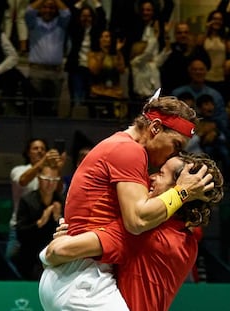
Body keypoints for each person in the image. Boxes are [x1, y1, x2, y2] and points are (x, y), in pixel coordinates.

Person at [39, 93, 214, 310]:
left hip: (77, 274)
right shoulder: (130, 150)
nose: (173, 154)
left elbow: (59, 251)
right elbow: (137, 220)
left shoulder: (119, 145)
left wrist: (57, 247)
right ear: (156, 128)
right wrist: (183, 192)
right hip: (85, 282)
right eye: (176, 145)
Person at [39, 152, 224, 311]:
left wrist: (59, 244)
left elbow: (59, 251)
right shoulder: (187, 240)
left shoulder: (145, 233)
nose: (150, 177)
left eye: (160, 174)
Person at [7, 138, 64, 262]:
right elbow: (22, 180)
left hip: (48, 239)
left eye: (43, 149)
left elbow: (58, 188)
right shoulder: (19, 170)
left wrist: (58, 168)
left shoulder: (59, 199)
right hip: (22, 225)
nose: (40, 151)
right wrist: (41, 221)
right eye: (35, 148)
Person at [16, 162, 64, 280]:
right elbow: (20, 234)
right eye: (46, 179)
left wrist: (58, 218)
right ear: (38, 178)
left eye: (54, 180)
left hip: (55, 257)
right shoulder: (27, 200)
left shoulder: (62, 201)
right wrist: (40, 223)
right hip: (30, 257)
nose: (50, 184)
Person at [25, 0, 71, 116]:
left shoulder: (61, 24)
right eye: (45, 7)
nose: (48, 10)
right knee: (35, 109)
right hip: (37, 72)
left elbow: (66, 12)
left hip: (55, 72)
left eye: (51, 8)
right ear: (40, 8)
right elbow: (29, 11)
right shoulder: (33, 23)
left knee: (53, 109)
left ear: (55, 10)